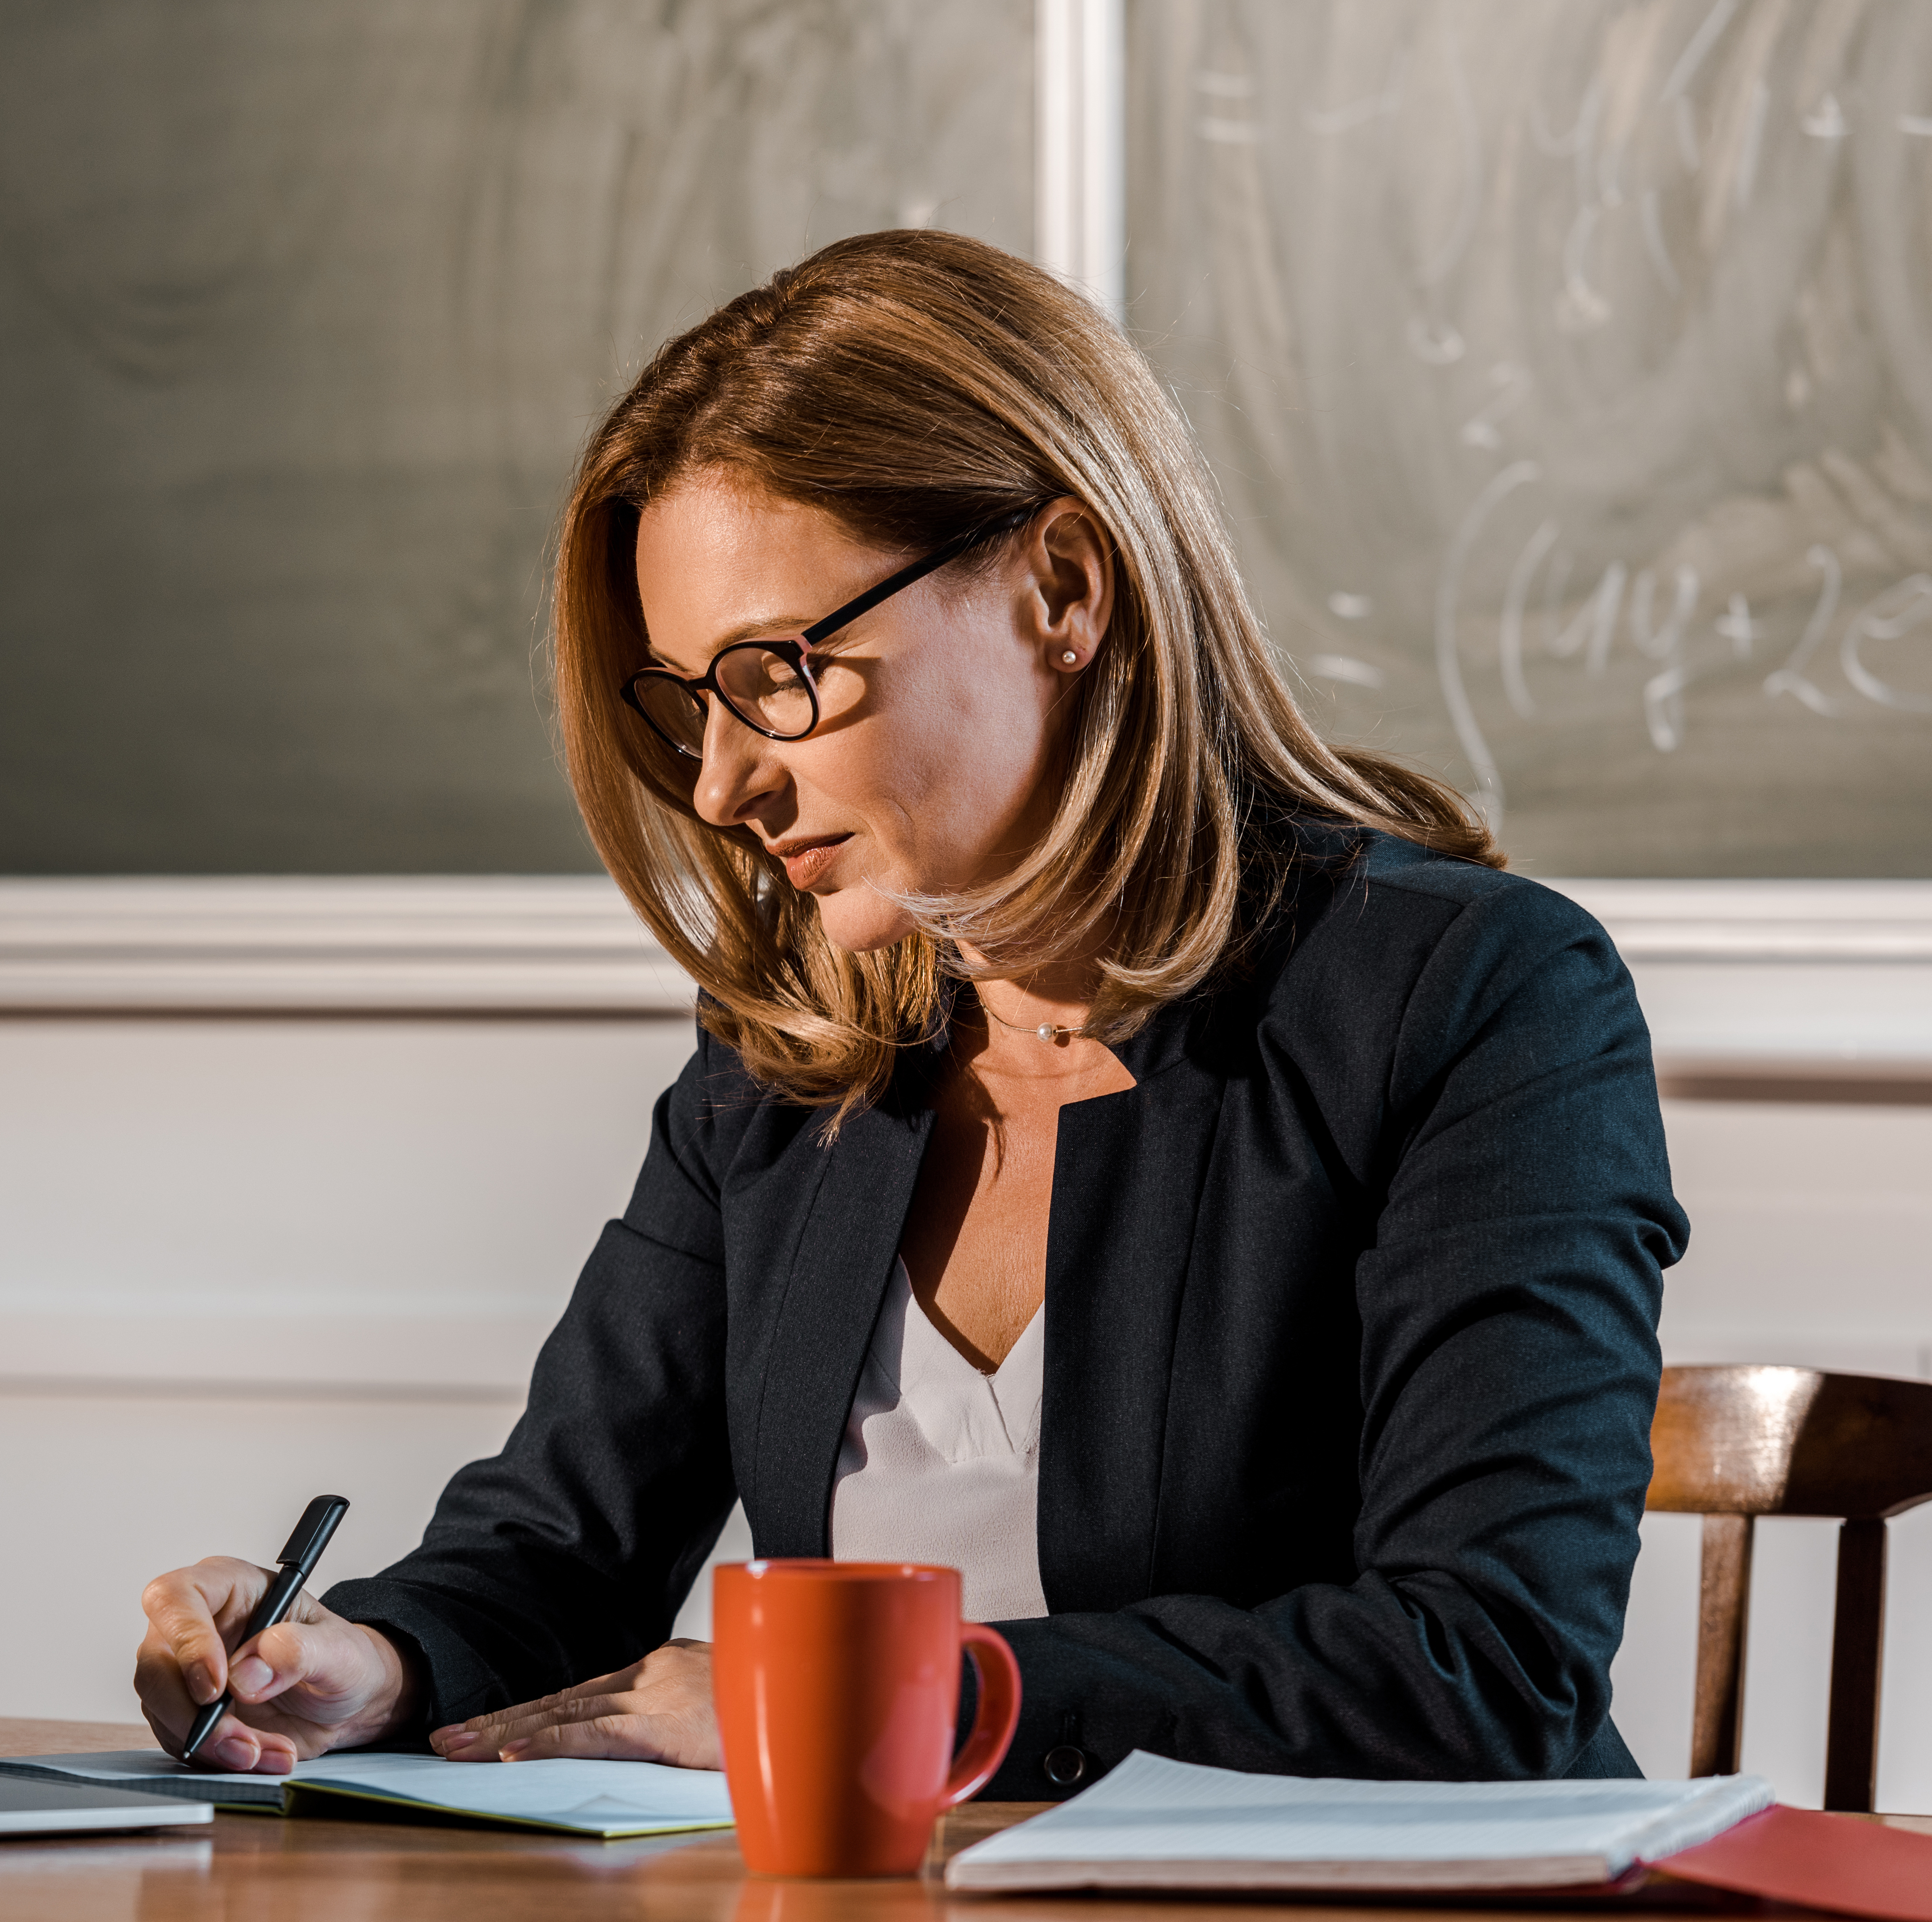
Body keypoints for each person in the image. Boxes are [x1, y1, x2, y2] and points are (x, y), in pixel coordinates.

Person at [131, 229, 1685, 1799]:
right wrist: (359, 1662)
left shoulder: (1476, 999)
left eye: (776, 674)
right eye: (689, 704)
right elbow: (560, 1551)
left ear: (1064, 589)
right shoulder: (784, 1061)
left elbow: (1488, 1664)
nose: (724, 784)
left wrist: (881, 1695)